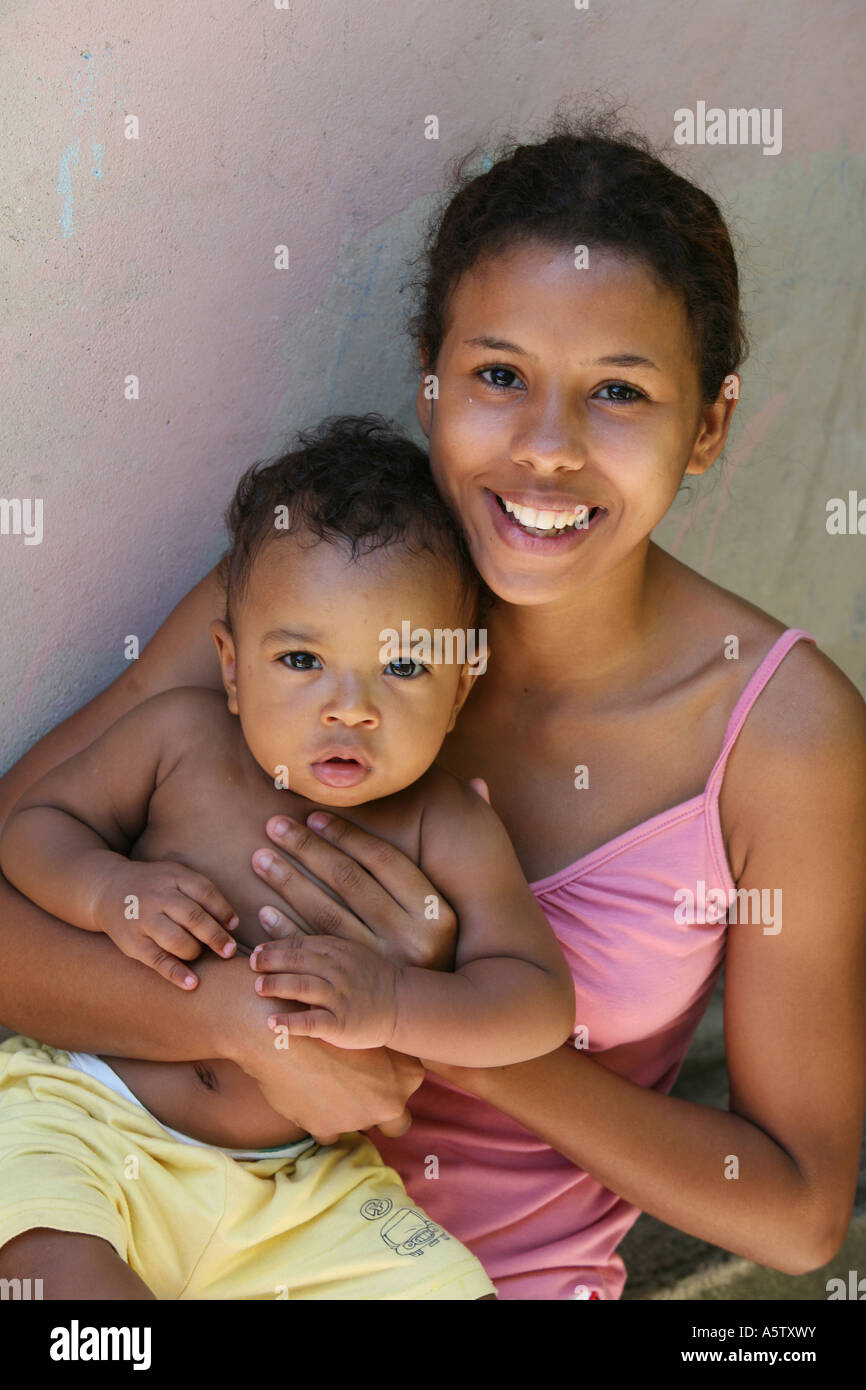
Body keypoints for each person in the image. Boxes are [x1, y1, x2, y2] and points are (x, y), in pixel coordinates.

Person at [0, 114, 863, 1301]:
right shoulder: (321, 584)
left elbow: (799, 1214)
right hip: (155, 1199)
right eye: (498, 376)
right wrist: (236, 1022)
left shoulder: (782, 733)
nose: (545, 448)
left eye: (617, 390)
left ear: (706, 424)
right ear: (429, 380)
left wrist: (432, 1020)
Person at [0, 415, 577, 1300]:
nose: (350, 708)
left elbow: (534, 1000)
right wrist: (111, 890)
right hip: (90, 1115)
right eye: (302, 658)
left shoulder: (448, 825)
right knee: (57, 1277)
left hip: (296, 1182)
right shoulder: (182, 742)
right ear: (230, 666)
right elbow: (32, 828)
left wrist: (397, 1000)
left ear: (463, 686)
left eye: (405, 668)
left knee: (448, 1288)